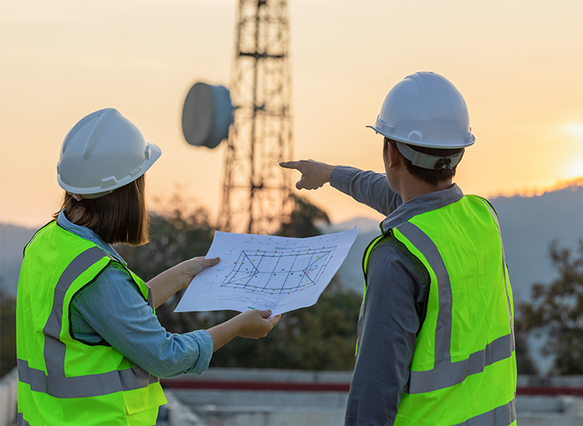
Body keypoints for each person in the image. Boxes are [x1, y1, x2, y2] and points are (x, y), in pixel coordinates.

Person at [16, 108, 281, 426]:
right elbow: (165, 357)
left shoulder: (47, 243)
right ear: (126, 193)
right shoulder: (97, 275)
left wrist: (181, 275)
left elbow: (111, 314)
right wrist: (238, 327)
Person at [281, 72, 517, 425]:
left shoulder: (397, 258)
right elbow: (405, 199)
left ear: (391, 151)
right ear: (458, 152)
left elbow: (373, 395)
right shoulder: (483, 219)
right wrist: (331, 173)